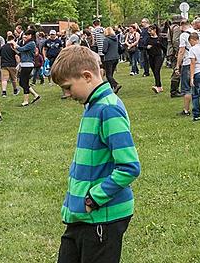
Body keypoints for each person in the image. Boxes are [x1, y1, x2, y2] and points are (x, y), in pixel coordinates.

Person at [51, 46, 141, 263]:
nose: (67, 94)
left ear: (87, 76)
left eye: (68, 87)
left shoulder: (108, 109)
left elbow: (129, 167)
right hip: (81, 216)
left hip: (102, 218)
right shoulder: (93, 106)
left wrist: (94, 197)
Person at [15, 29, 41, 106]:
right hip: (24, 64)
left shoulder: (31, 43)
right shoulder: (28, 43)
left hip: (28, 65)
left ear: (31, 35)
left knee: (24, 82)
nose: (25, 36)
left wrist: (14, 44)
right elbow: (21, 52)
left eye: (27, 35)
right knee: (22, 82)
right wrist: (14, 48)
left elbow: (21, 49)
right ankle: (35, 95)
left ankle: (26, 101)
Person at [144, 25, 164, 93]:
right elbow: (143, 46)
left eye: (150, 30)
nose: (149, 32)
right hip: (151, 57)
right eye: (148, 31)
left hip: (158, 56)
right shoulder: (148, 39)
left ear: (155, 30)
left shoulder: (159, 38)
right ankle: (160, 86)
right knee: (154, 72)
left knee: (156, 70)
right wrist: (147, 47)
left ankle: (157, 86)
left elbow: (163, 47)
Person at [0, 32, 18, 97]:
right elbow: (16, 56)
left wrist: (0, 64)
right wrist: (18, 63)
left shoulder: (3, 47)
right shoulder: (13, 47)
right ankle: (15, 90)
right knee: (14, 79)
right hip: (12, 64)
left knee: (4, 79)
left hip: (4, 65)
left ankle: (4, 92)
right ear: (13, 39)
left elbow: (0, 57)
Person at [102, 26, 121, 93]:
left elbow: (104, 50)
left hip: (108, 58)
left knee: (108, 75)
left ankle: (115, 85)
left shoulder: (106, 39)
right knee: (111, 74)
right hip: (116, 58)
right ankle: (112, 88)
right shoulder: (116, 39)